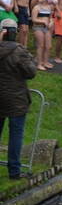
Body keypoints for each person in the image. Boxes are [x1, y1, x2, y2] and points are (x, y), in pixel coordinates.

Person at [0, 18, 36, 179]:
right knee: (15, 134)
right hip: (16, 99)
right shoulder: (19, 51)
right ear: (15, 33)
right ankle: (14, 171)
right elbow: (31, 72)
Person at [30, 0, 53, 69]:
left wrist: (51, 22)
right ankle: (39, 64)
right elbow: (34, 19)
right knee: (41, 45)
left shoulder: (49, 7)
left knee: (48, 46)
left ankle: (45, 62)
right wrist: (43, 21)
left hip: (46, 28)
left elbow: (51, 18)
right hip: (38, 27)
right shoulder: (36, 7)